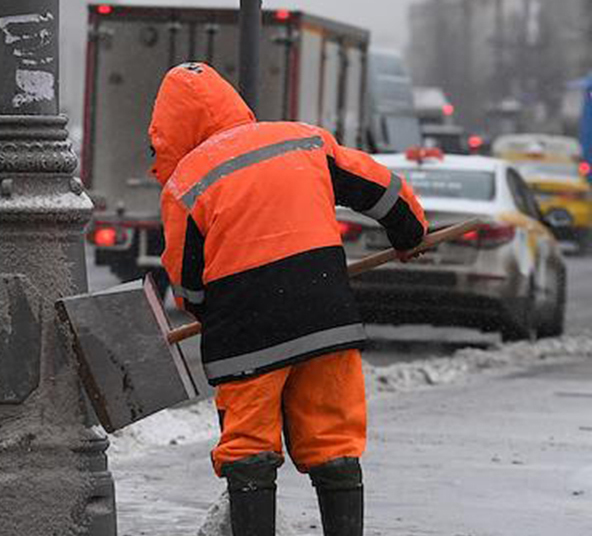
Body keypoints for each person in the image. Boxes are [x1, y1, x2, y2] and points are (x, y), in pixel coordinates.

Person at [148, 63, 427, 536]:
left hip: (246, 340)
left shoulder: (187, 184)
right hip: (326, 319)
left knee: (248, 449)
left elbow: (187, 280)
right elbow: (380, 188)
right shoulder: (303, 141)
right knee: (334, 439)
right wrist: (408, 235)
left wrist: (208, 312)